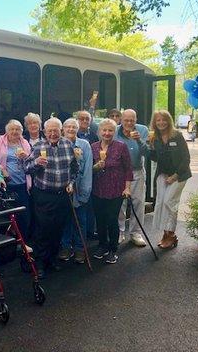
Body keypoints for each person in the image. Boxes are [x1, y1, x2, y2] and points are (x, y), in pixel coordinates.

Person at [25, 117, 78, 278]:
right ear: (45, 132)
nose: (53, 134)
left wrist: (71, 183)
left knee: (58, 228)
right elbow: (26, 168)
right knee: (43, 229)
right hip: (44, 195)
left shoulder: (68, 145)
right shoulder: (38, 146)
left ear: (61, 131)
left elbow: (75, 168)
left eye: (56, 130)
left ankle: (51, 260)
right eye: (50, 131)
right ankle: (40, 264)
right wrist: (36, 163)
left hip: (62, 195)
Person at [91, 119, 132, 264]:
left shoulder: (121, 146)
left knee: (111, 219)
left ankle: (113, 249)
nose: (107, 133)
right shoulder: (94, 147)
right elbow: (89, 169)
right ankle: (102, 245)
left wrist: (127, 187)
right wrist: (96, 166)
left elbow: (128, 169)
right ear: (99, 131)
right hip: (98, 189)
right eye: (104, 130)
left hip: (116, 189)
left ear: (114, 132)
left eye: (110, 130)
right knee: (100, 219)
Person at [148, 110, 192, 249]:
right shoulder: (155, 137)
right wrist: (144, 145)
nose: (161, 122)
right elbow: (155, 157)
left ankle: (171, 235)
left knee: (169, 202)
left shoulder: (177, 135)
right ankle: (165, 234)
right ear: (154, 123)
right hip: (163, 174)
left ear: (169, 121)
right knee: (160, 203)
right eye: (158, 120)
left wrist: (175, 176)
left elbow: (186, 158)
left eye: (164, 120)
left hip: (179, 175)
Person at [58, 118, 93, 264]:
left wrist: (85, 192)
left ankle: (80, 248)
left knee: (80, 220)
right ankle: (65, 246)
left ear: (78, 129)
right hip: (62, 190)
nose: (71, 129)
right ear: (63, 129)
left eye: (74, 127)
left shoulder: (84, 145)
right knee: (65, 219)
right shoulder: (58, 144)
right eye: (68, 127)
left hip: (79, 190)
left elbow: (87, 170)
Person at [115, 109, 149, 247]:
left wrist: (139, 140)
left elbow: (146, 152)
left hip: (137, 171)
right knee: (119, 203)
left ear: (136, 120)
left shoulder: (143, 130)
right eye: (126, 120)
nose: (129, 123)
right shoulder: (115, 130)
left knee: (138, 202)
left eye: (132, 120)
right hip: (119, 173)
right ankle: (119, 231)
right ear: (121, 120)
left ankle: (136, 232)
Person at [0, 119, 32, 239]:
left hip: (22, 184)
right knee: (7, 216)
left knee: (24, 215)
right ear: (7, 131)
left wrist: (25, 156)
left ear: (21, 131)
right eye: (12, 129)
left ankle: (23, 241)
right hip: (6, 185)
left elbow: (31, 161)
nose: (14, 131)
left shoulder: (25, 143)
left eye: (17, 129)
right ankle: (8, 242)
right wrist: (2, 170)